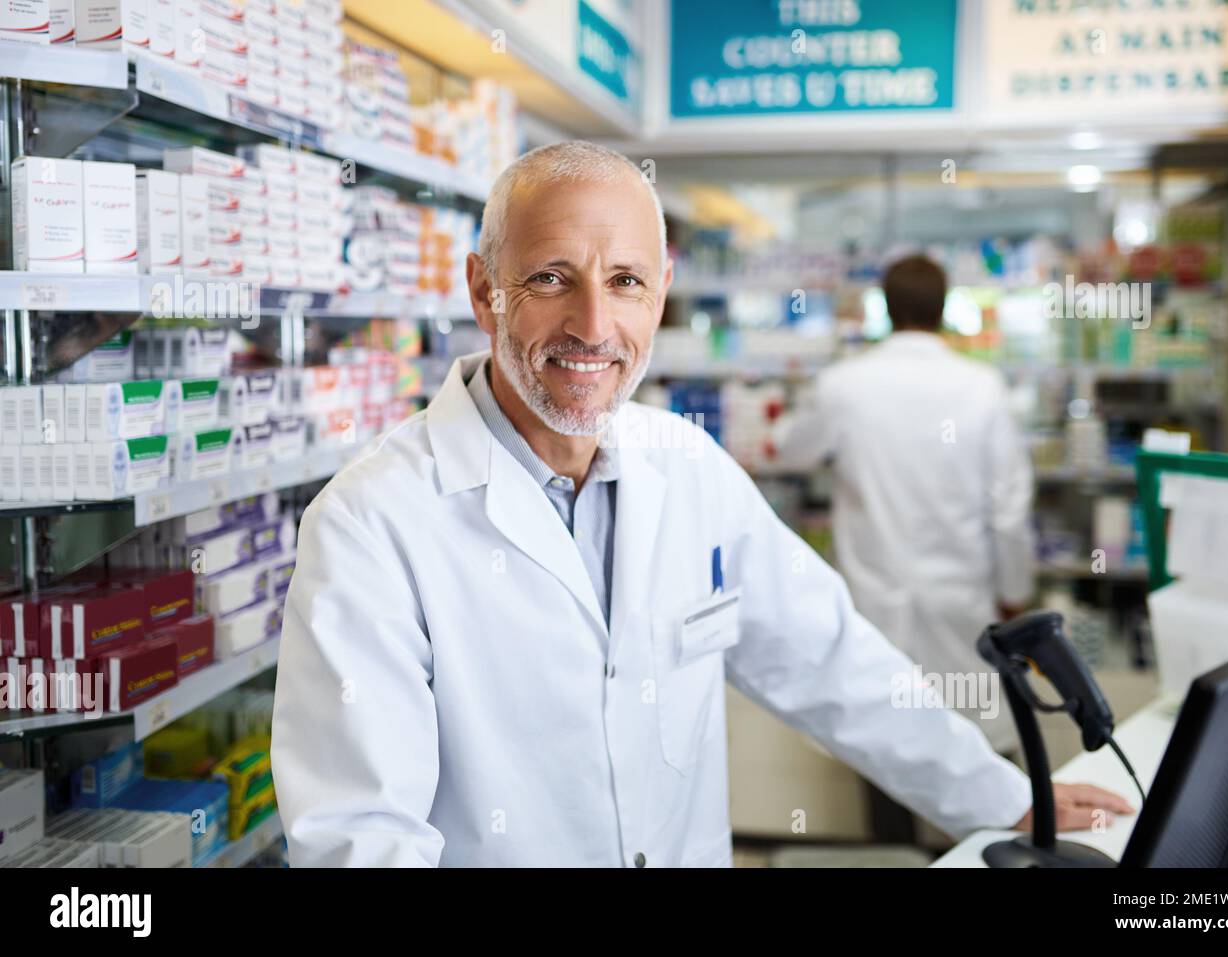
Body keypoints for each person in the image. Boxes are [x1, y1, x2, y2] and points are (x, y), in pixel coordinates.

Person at [270, 143, 1131, 867]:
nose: (594, 324)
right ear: (483, 288)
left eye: (628, 281)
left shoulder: (686, 468)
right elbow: (359, 840)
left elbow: (831, 661)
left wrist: (1005, 797)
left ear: (665, 287)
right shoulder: (371, 524)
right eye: (550, 277)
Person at [773, 254, 1034, 757]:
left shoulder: (844, 384)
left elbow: (792, 451)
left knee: (880, 739)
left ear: (886, 308)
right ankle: (971, 838)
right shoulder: (983, 387)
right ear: (944, 307)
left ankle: (894, 837)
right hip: (962, 596)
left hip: (875, 594)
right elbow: (1009, 509)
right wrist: (1015, 592)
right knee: (979, 743)